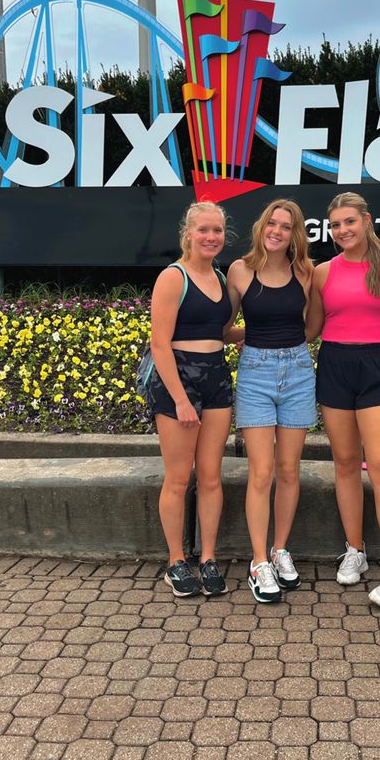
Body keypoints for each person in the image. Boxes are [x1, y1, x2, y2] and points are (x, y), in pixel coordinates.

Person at [307, 191, 380, 609]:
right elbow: (309, 330)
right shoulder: (321, 273)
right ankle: (355, 550)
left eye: (349, 221)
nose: (342, 230)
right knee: (346, 464)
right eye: (335, 225)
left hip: (379, 366)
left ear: (367, 221)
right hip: (334, 366)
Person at [227, 200, 316, 603]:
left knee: (289, 470)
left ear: (295, 233)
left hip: (298, 371)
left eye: (286, 226)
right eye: (271, 223)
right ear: (262, 226)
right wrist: (252, 341)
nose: (276, 231)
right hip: (255, 374)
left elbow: (312, 327)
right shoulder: (240, 270)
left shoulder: (306, 272)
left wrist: (288, 347)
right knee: (261, 473)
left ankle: (281, 549)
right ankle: (258, 561)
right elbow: (225, 326)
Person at [147, 201, 233, 598]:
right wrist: (181, 400)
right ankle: (176, 561)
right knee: (180, 478)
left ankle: (209, 558)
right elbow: (160, 344)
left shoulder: (220, 276)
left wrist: (269, 333)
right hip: (178, 381)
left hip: (216, 377)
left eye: (217, 230)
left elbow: (217, 332)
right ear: (188, 233)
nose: (211, 237)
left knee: (212, 476)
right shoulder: (173, 277)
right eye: (203, 230)